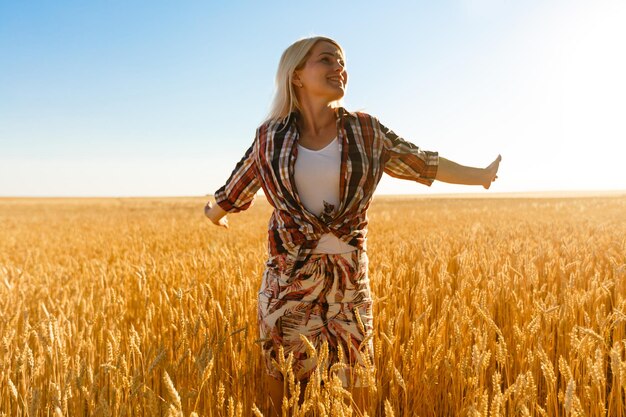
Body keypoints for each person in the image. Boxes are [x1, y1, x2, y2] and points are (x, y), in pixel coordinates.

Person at [205, 36, 501, 415]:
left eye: (342, 62)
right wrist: (213, 212)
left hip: (349, 284)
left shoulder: (366, 131)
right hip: (287, 282)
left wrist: (479, 175)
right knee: (282, 393)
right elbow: (234, 190)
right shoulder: (269, 137)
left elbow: (423, 163)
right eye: (326, 59)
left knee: (356, 392)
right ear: (296, 76)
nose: (339, 68)